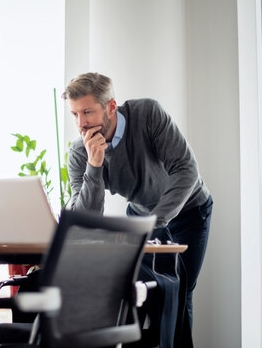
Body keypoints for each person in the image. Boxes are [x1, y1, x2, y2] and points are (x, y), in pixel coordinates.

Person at [62, 72, 213, 345]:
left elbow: (186, 170)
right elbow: (86, 218)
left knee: (180, 292)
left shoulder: (147, 114)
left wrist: (154, 223)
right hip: (143, 215)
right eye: (74, 114)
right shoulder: (80, 153)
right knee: (144, 292)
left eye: (87, 112)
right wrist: (94, 167)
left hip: (189, 210)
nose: (81, 124)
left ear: (110, 106)